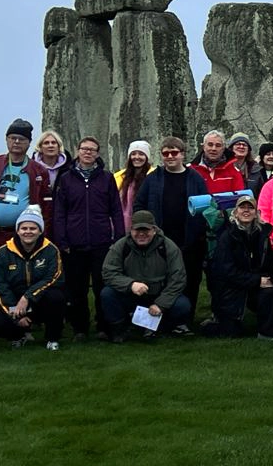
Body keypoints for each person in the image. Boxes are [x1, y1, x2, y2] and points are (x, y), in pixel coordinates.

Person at [49, 136, 126, 340]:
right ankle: (80, 328)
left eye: (92, 150)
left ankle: (103, 326)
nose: (88, 152)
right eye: (84, 149)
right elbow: (59, 212)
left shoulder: (106, 178)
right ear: (77, 151)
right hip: (74, 242)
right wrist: (62, 240)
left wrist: (118, 238)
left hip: (102, 242)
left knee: (102, 287)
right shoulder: (66, 178)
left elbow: (116, 210)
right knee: (77, 289)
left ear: (98, 154)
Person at [0, 118, 55, 281]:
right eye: (12, 138)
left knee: (20, 279)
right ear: (6, 140)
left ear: (29, 143)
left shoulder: (38, 170)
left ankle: (20, 307)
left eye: (21, 139)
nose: (16, 142)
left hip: (23, 236)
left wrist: (43, 234)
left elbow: (47, 207)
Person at [132, 137, 209, 320]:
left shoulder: (195, 178)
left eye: (174, 152)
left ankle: (184, 320)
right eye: (165, 153)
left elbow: (207, 207)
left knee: (190, 280)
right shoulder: (153, 178)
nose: (169, 156)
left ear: (182, 154)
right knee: (159, 281)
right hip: (159, 240)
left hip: (189, 240)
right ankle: (155, 320)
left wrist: (198, 232)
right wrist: (147, 229)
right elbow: (139, 205)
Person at [101, 211, 192, 342]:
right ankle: (119, 329)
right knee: (107, 294)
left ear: (154, 230)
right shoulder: (121, 246)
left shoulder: (169, 247)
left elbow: (178, 279)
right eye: (137, 230)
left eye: (146, 230)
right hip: (132, 295)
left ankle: (164, 325)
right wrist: (130, 285)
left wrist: (160, 304)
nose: (141, 234)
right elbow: (108, 272)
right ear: (131, 230)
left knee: (182, 305)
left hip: (159, 295)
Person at [0, 207, 67, 350]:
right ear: (17, 230)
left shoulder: (51, 250)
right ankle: (18, 336)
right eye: (24, 228)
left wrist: (28, 297)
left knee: (57, 297)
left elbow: (54, 277)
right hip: (14, 301)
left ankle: (52, 339)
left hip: (39, 300)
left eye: (33, 228)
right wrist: (16, 313)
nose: (28, 232)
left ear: (40, 231)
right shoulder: (3, 253)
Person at [203, 194, 273, 339]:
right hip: (231, 287)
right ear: (235, 212)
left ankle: (266, 333)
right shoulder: (227, 236)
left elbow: (268, 263)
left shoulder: (263, 234)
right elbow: (226, 271)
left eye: (250, 208)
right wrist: (257, 280)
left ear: (256, 213)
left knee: (269, 291)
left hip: (255, 284)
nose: (246, 211)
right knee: (229, 333)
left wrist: (265, 279)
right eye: (242, 207)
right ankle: (215, 321)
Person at [192, 129, 246, 194]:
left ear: (223, 148)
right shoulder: (192, 170)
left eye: (218, 145)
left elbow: (239, 197)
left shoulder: (233, 171)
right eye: (210, 144)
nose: (213, 149)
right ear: (203, 146)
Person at [114, 140, 154, 218]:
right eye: (133, 154)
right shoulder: (118, 176)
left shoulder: (153, 176)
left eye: (141, 154)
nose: (137, 157)